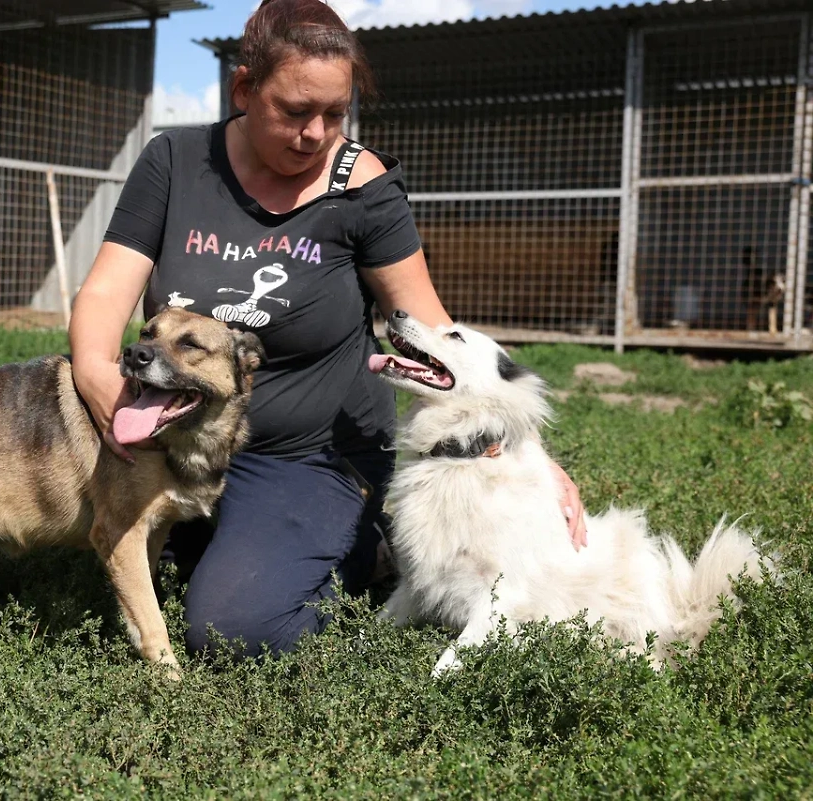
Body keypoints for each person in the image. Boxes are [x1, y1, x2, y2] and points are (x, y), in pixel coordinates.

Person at [68, 0, 587, 659]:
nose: (316, 132)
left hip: (310, 453)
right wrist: (94, 372)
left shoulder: (362, 186)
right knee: (129, 556)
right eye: (295, 110)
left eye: (334, 113)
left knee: (233, 631)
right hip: (181, 432)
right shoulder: (175, 160)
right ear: (244, 89)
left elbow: (429, 328)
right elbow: (107, 292)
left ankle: (366, 549)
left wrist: (526, 446)